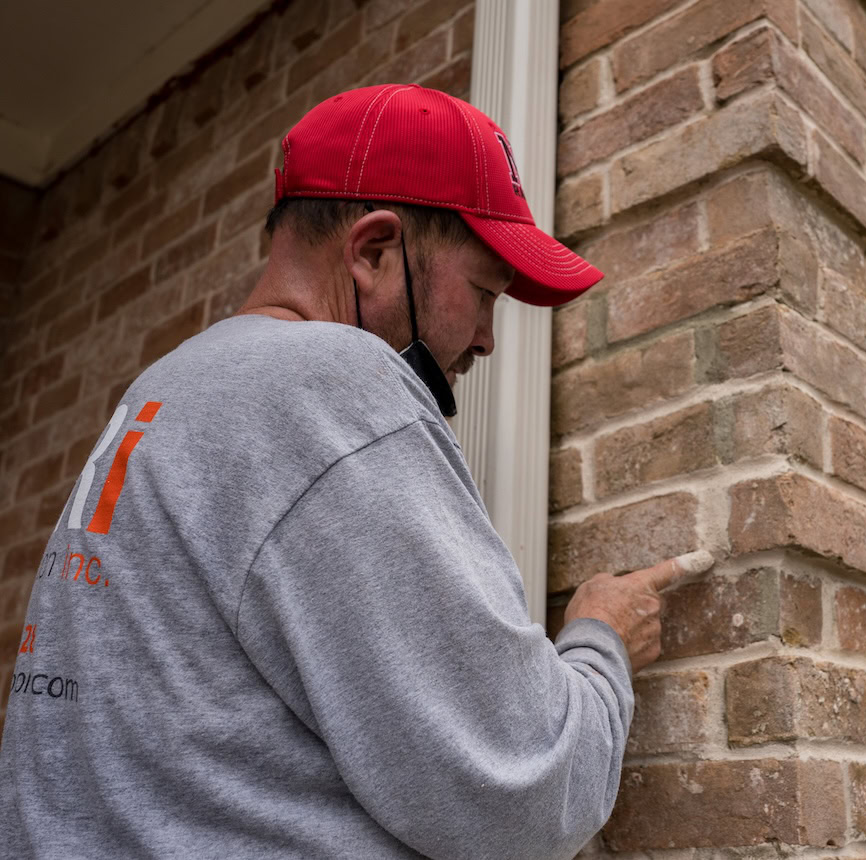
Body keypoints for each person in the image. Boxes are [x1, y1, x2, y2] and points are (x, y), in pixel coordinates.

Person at [0, 84, 710, 859]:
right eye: (482, 294)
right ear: (373, 252)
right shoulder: (331, 384)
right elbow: (524, 798)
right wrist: (599, 642)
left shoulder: (167, 390)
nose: (486, 340)